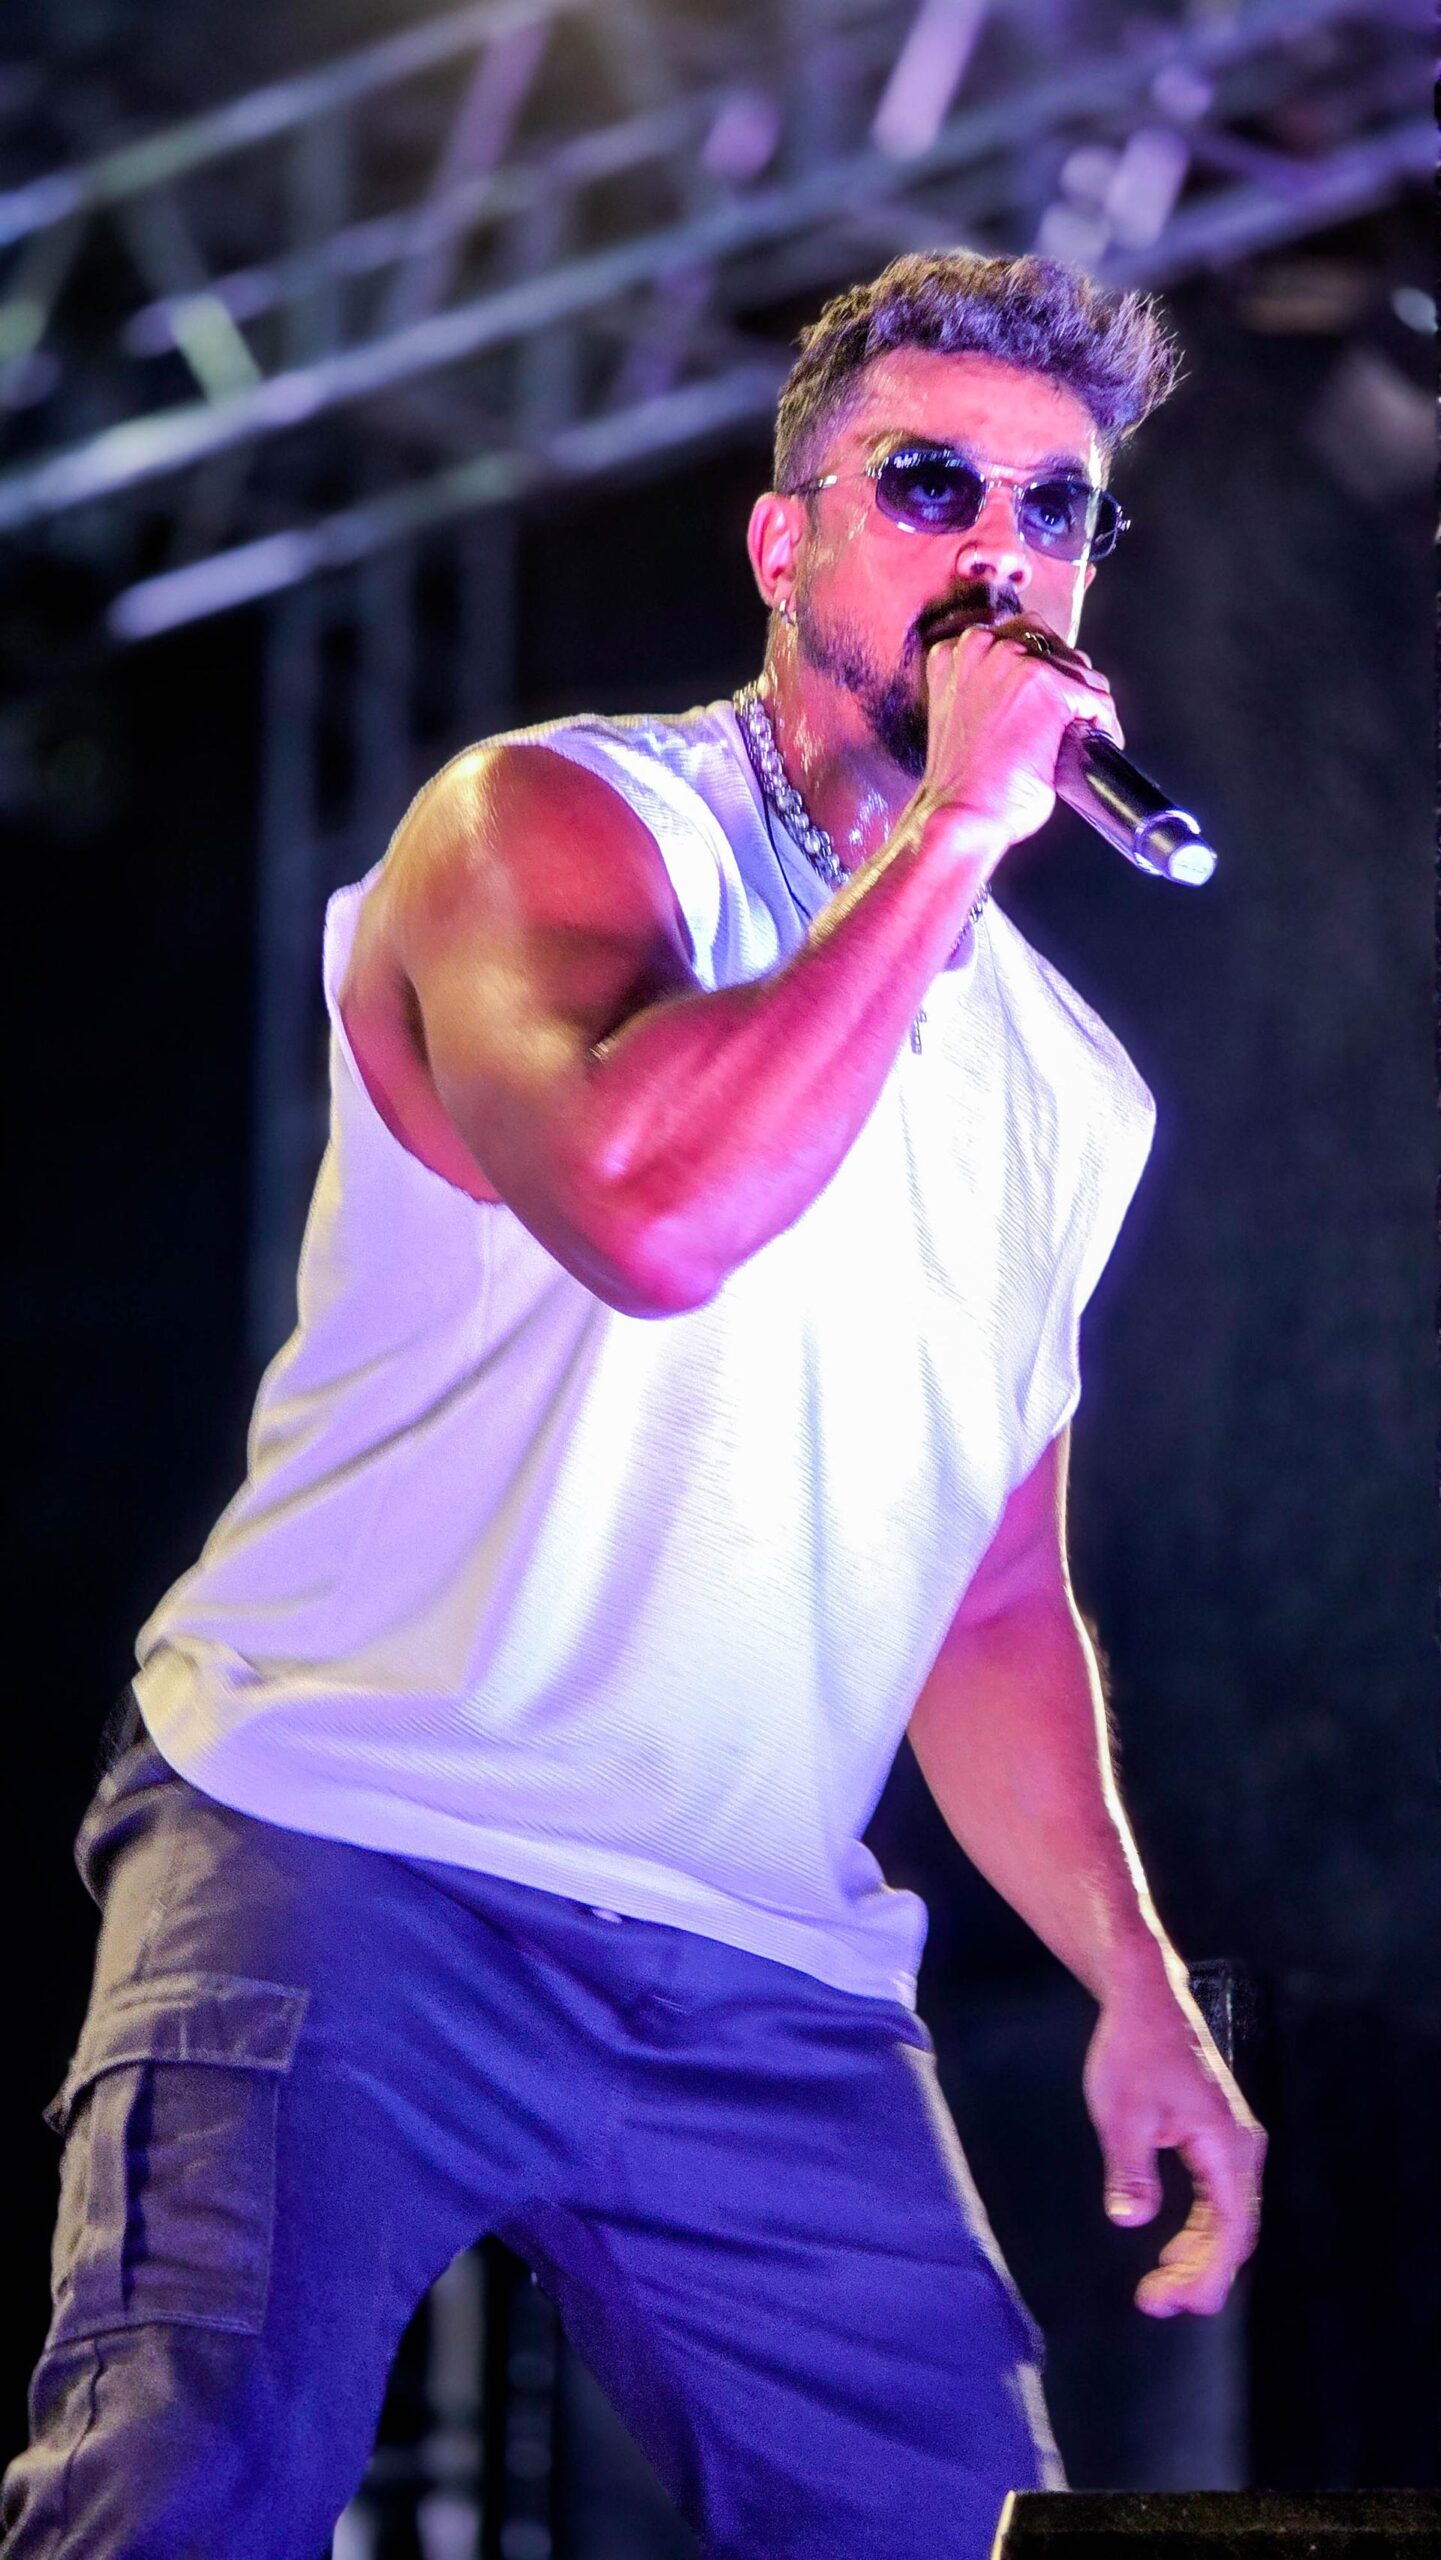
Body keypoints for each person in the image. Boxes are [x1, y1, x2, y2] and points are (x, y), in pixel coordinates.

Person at [4, 252, 1265, 2560]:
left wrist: (1132, 1978)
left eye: (1056, 508)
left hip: (755, 1960)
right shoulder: (552, 824)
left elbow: (987, 1595)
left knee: (958, 2531)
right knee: (180, 2506)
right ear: (786, 539)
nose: (999, 549)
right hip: (348, 1838)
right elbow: (652, 1213)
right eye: (929, 484)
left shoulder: (1068, 1091)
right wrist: (953, 835)